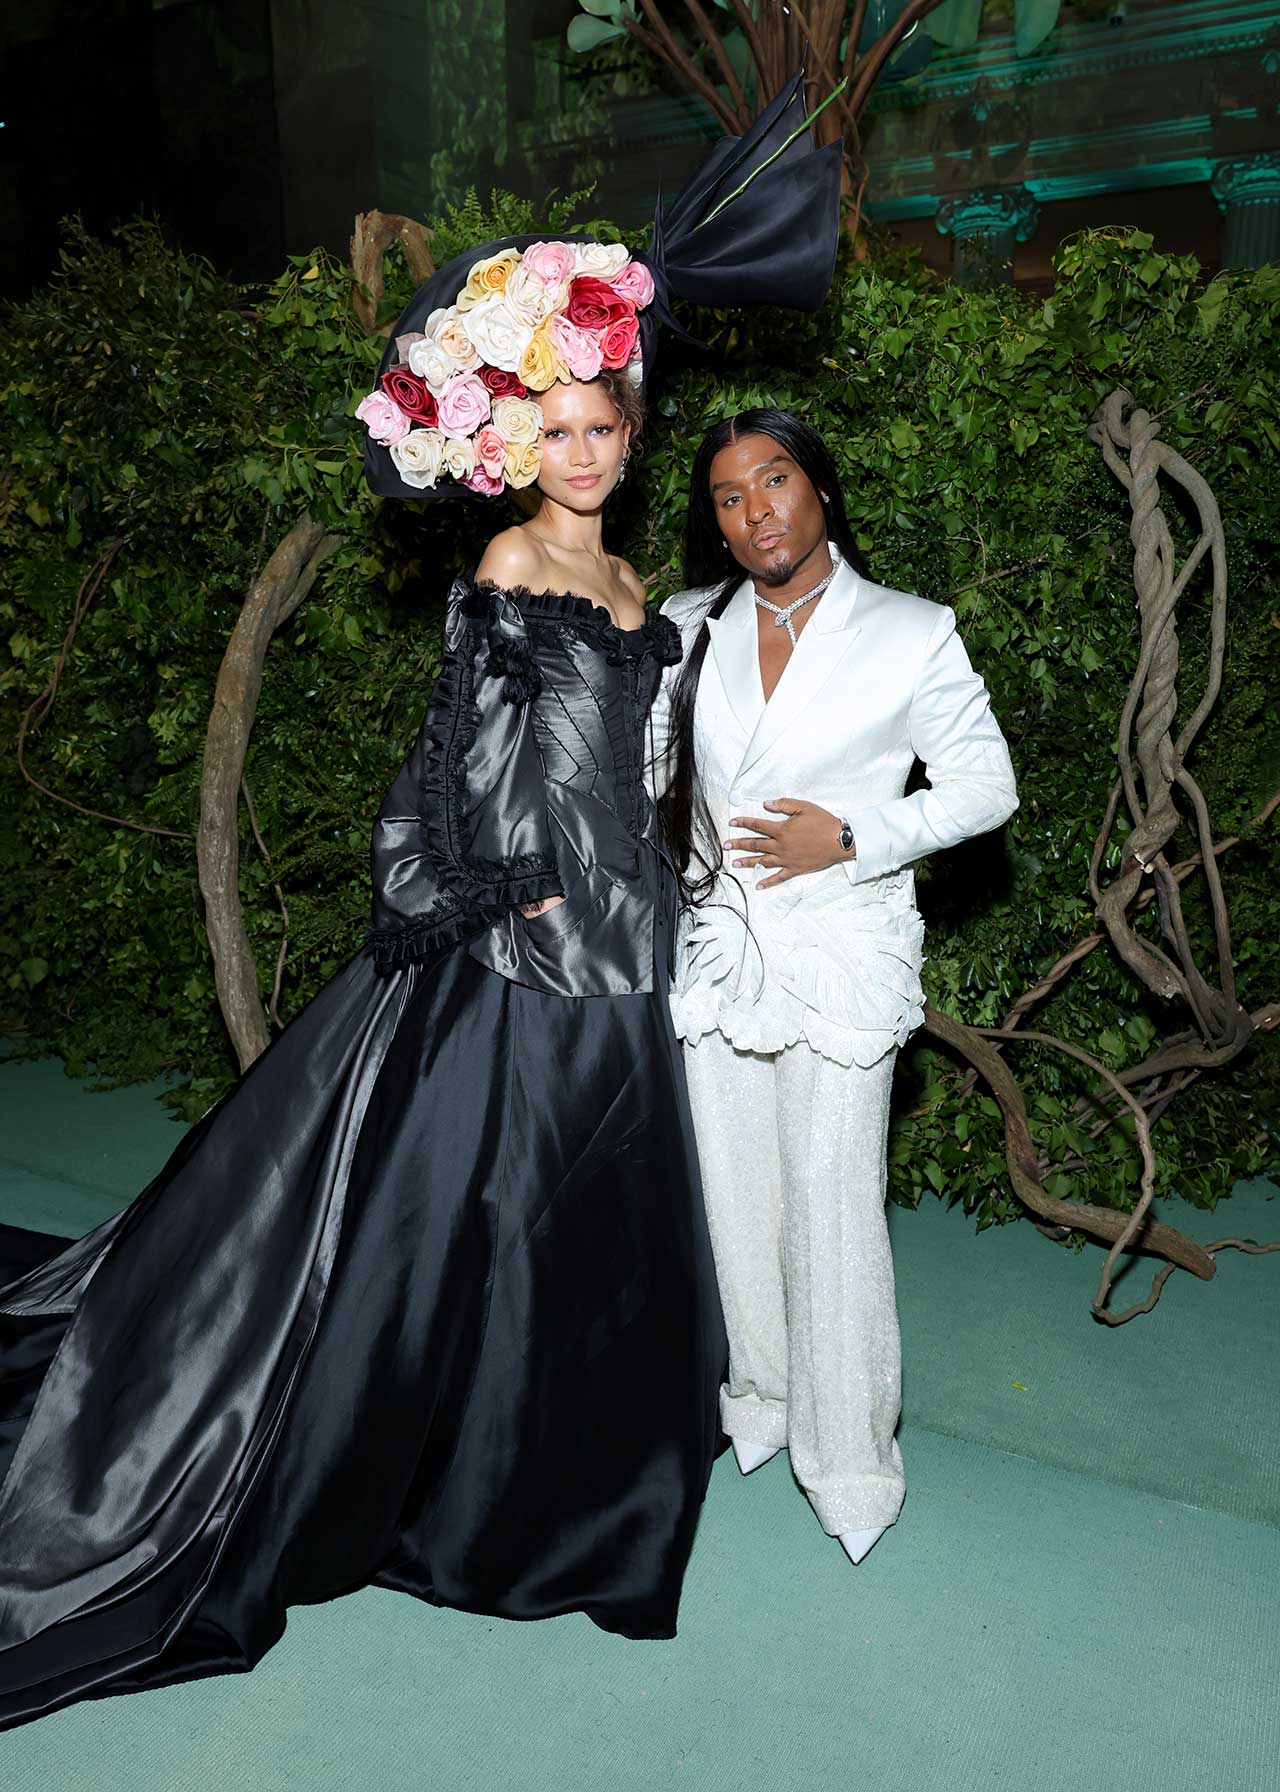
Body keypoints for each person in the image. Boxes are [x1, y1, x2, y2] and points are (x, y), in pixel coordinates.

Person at [0, 73, 847, 1728]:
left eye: (612, 429)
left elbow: (643, 751)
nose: (590, 454)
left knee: (589, 1220)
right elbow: (461, 748)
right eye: (564, 430)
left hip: (629, 923)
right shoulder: (517, 564)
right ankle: (478, 1482)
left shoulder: (623, 575)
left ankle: (561, 1476)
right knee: (492, 1207)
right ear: (517, 440)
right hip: (533, 926)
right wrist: (501, 897)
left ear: (632, 432)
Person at [654, 409, 1018, 1565]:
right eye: (726, 495)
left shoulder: (908, 631)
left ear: (817, 490)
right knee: (734, 1190)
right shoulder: (681, 626)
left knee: (831, 1196)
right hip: (718, 949)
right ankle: (758, 1400)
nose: (754, 509)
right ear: (712, 520)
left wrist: (855, 833)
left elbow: (984, 788)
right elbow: (651, 781)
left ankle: (852, 1456)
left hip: (840, 947)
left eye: (774, 480)